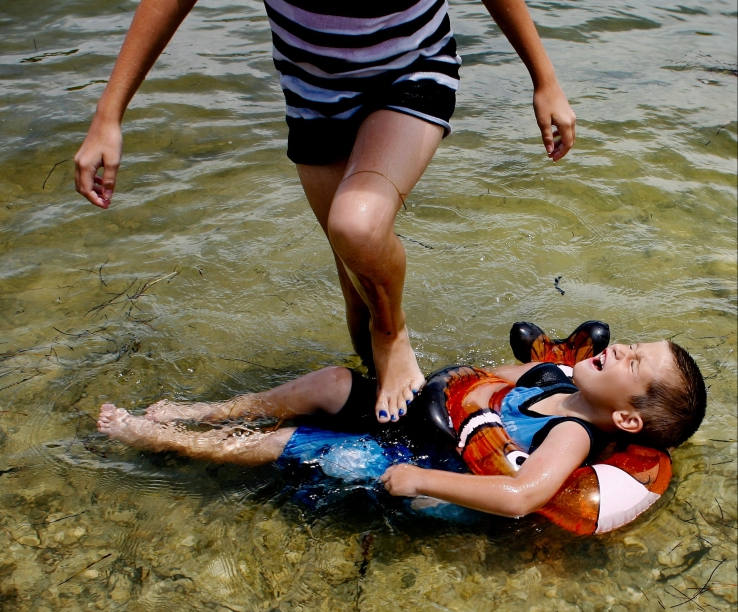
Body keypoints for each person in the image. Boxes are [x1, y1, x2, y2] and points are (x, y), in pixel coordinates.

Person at [74, 1, 578, 423]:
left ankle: (394, 336)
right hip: (314, 98)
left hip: (412, 70)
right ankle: (382, 409)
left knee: (357, 225)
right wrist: (108, 115)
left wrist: (545, 79)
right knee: (358, 298)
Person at [96, 339, 706, 518]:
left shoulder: (571, 434)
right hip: (433, 421)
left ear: (626, 418)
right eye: (633, 343)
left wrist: (417, 480)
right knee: (333, 381)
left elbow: (520, 496)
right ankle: (205, 413)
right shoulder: (551, 374)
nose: (620, 346)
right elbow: (479, 377)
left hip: (429, 460)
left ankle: (168, 440)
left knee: (293, 445)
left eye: (633, 362)